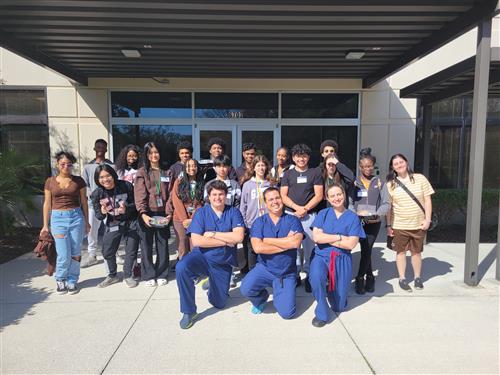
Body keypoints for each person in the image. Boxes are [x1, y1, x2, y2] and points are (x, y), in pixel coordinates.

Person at [176, 180, 245, 329]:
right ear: (209, 196)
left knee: (219, 303)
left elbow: (239, 237)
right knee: (181, 267)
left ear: (226, 195)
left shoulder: (233, 212)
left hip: (223, 261)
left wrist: (213, 234)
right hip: (202, 257)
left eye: (221, 194)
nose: (218, 198)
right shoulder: (202, 212)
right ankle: (189, 311)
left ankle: (211, 283)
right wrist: (226, 241)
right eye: (214, 194)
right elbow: (197, 240)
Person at [240, 187, 303, 319]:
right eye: (271, 199)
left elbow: (295, 243)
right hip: (265, 269)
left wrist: (267, 240)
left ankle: (282, 292)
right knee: (246, 288)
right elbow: (258, 248)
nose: (275, 202)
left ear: (282, 199)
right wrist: (286, 242)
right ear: (265, 203)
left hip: (285, 273)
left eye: (277, 198)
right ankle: (262, 298)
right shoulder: (259, 222)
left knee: (287, 313)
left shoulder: (293, 220)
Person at [310, 183, 365, 327]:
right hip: (321, 256)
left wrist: (326, 237)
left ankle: (331, 290)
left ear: (344, 195)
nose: (336, 198)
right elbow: (316, 238)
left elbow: (351, 244)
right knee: (316, 277)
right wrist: (340, 237)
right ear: (327, 198)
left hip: (341, 259)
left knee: (339, 306)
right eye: (332, 195)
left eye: (339, 194)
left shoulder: (353, 217)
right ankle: (321, 312)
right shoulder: (323, 213)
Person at [41, 151, 90, 295]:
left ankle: (72, 280)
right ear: (57, 164)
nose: (66, 166)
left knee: (75, 252)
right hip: (58, 218)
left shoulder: (79, 181)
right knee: (63, 253)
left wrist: (87, 222)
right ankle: (60, 279)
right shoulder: (50, 182)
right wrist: (45, 225)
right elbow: (47, 204)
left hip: (76, 217)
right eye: (63, 164)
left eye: (69, 164)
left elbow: (84, 202)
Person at [386, 153, 434, 292]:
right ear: (393, 168)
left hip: (418, 224)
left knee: (416, 252)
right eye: (396, 164)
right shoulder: (391, 184)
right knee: (400, 252)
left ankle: (417, 277)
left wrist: (428, 219)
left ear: (406, 163)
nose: (399, 165)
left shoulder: (420, 179)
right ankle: (402, 278)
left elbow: (427, 200)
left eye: (401, 162)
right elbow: (389, 207)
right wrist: (389, 226)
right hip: (399, 224)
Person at [280, 143, 324, 292]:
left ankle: (310, 275)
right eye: (298, 156)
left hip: (309, 215)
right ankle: (296, 274)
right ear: (293, 158)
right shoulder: (287, 174)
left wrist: (305, 209)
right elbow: (283, 196)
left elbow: (319, 195)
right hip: (291, 215)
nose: (301, 159)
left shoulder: (315, 173)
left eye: (304, 156)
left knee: (310, 246)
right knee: (294, 246)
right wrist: (296, 208)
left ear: (308, 157)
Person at [91, 164, 140, 288]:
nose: (105, 179)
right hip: (113, 222)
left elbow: (137, 204)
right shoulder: (97, 193)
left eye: (108, 175)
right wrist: (102, 212)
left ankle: (128, 275)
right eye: (101, 177)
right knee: (107, 251)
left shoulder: (126, 185)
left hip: (130, 221)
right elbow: (99, 215)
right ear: (98, 179)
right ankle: (112, 275)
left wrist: (127, 208)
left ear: (113, 175)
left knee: (131, 250)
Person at [352, 148, 390, 294]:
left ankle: (360, 277)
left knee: (367, 248)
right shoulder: (354, 183)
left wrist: (378, 214)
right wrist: (354, 214)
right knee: (365, 249)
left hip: (373, 222)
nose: (367, 169)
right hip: (359, 221)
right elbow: (348, 201)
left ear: (373, 166)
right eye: (364, 166)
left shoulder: (380, 183)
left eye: (370, 166)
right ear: (360, 167)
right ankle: (369, 276)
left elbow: (386, 203)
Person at [134, 142, 172, 287]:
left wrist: (168, 214)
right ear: (147, 155)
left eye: (156, 152)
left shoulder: (166, 171)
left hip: (162, 212)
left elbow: (169, 195)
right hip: (147, 213)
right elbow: (139, 194)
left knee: (162, 244)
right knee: (146, 245)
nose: (154, 155)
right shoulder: (142, 172)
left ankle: (162, 272)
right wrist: (143, 213)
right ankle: (148, 274)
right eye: (151, 153)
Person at [204, 154, 242, 287]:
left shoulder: (234, 184)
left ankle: (229, 275)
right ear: (214, 168)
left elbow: (238, 203)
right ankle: (213, 275)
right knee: (214, 249)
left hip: (230, 220)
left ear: (229, 168)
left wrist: (234, 218)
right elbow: (206, 204)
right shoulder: (209, 184)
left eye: (225, 166)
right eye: (219, 166)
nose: (222, 169)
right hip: (214, 221)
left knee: (230, 249)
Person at [81, 139, 115, 268]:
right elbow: (85, 185)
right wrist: (91, 194)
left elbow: (114, 182)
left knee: (112, 229)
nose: (100, 149)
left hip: (110, 203)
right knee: (92, 230)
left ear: (106, 149)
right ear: (95, 149)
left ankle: (114, 252)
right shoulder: (88, 167)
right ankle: (92, 255)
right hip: (93, 205)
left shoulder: (112, 166)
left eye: (103, 147)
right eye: (98, 147)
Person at [239, 155, 273, 273]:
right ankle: (253, 272)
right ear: (253, 168)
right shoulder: (248, 185)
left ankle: (266, 270)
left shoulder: (270, 184)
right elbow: (243, 205)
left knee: (266, 246)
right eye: (258, 165)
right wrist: (243, 223)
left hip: (268, 221)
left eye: (263, 165)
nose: (261, 168)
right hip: (251, 223)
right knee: (252, 248)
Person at [169, 159, 205, 259]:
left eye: (194, 166)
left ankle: (195, 268)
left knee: (195, 243)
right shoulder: (179, 182)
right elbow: (176, 201)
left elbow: (201, 202)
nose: (192, 168)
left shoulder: (202, 183)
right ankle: (183, 268)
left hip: (195, 218)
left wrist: (192, 218)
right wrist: (184, 219)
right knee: (183, 243)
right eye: (189, 166)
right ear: (185, 168)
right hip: (180, 219)